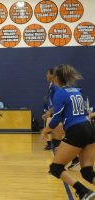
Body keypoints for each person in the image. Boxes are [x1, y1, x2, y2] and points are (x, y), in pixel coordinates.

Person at [41, 64, 95, 200]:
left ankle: (84, 192)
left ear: (56, 77)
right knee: (87, 172)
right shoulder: (76, 90)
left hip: (76, 131)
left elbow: (56, 118)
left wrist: (45, 130)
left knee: (55, 168)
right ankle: (85, 192)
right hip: (89, 128)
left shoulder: (60, 93)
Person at [43, 68, 80, 169]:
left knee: (57, 140)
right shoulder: (52, 86)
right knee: (58, 140)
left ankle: (58, 165)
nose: (46, 75)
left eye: (47, 73)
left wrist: (51, 113)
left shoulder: (56, 87)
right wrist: (49, 112)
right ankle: (73, 159)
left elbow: (60, 102)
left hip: (60, 116)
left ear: (53, 75)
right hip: (56, 115)